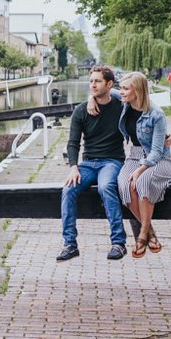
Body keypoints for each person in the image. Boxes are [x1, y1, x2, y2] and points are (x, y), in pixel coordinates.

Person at [57, 65, 127, 262]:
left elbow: (143, 101)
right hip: (88, 163)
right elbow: (73, 143)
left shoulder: (121, 105)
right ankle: (70, 244)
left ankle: (118, 243)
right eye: (91, 81)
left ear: (109, 84)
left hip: (112, 162)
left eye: (97, 81)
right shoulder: (81, 110)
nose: (93, 85)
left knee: (106, 187)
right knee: (68, 189)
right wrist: (73, 167)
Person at [117, 71, 171, 258]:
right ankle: (150, 231)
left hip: (158, 159)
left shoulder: (156, 114)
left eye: (126, 89)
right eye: (121, 88)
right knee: (123, 184)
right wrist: (93, 100)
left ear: (138, 90)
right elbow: (102, 92)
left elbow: (157, 151)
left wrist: (141, 170)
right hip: (134, 156)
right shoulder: (125, 104)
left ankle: (142, 235)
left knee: (141, 183)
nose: (121, 92)